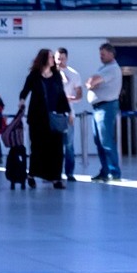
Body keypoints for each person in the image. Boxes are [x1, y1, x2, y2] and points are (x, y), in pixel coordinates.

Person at [18, 49, 71, 189]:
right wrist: (22, 100)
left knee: (56, 148)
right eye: (50, 57)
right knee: (38, 148)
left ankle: (56, 178)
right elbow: (25, 90)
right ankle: (32, 174)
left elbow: (61, 95)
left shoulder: (56, 76)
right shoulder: (34, 75)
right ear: (44, 59)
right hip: (37, 118)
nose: (53, 59)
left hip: (54, 117)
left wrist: (68, 112)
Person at [86, 43, 123, 182]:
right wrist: (91, 82)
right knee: (99, 141)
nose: (100, 57)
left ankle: (114, 172)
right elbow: (90, 81)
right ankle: (105, 171)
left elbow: (93, 81)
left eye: (103, 54)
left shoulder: (112, 69)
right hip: (98, 108)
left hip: (106, 107)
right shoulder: (104, 68)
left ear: (111, 54)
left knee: (106, 140)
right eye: (100, 54)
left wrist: (92, 83)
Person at [55, 47, 82, 182]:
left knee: (69, 145)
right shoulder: (50, 74)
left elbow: (79, 94)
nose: (60, 61)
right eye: (58, 58)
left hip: (68, 113)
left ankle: (69, 172)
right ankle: (54, 173)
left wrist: (70, 100)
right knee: (54, 145)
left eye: (63, 58)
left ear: (67, 58)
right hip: (54, 114)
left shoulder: (74, 74)